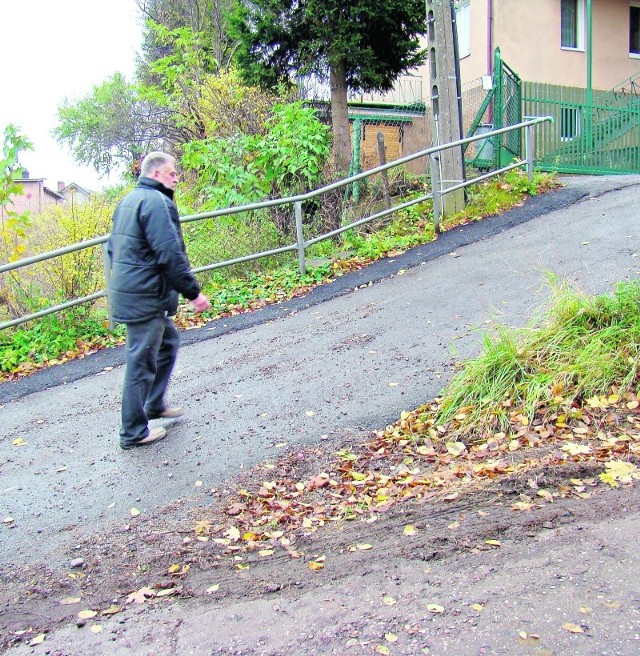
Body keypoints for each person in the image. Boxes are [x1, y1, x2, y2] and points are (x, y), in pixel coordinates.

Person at [107, 152, 210, 450]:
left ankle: (153, 404)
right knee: (141, 363)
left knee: (167, 343)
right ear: (155, 174)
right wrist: (194, 292)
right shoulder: (155, 203)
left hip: (135, 292)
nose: (176, 177)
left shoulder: (129, 200)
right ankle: (133, 432)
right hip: (145, 296)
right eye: (171, 173)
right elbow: (169, 252)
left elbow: (113, 249)